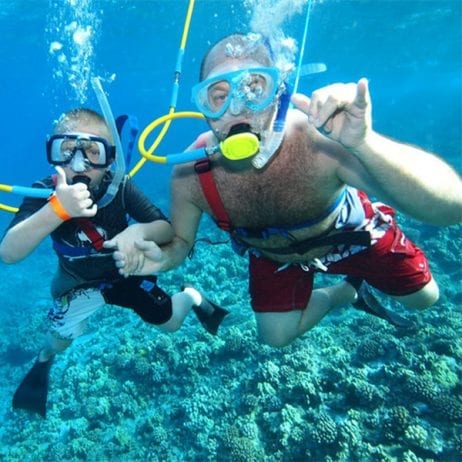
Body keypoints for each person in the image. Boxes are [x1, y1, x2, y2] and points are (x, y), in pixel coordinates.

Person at [109, 33, 462, 349]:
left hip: (349, 234)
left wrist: (365, 144)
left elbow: (451, 209)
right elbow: (181, 244)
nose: (236, 108)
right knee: (274, 338)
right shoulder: (190, 174)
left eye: (253, 89)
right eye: (218, 96)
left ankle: (361, 274)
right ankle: (348, 291)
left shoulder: (319, 140)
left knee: (425, 299)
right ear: (203, 109)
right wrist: (162, 259)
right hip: (275, 255)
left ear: (279, 94)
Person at [0, 108, 228, 417]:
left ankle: (191, 296)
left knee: (171, 324)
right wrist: (56, 209)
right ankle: (44, 359)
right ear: (51, 154)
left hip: (125, 274)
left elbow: (165, 228)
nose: (79, 163)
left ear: (110, 158)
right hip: (75, 283)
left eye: (93, 152)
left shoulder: (119, 185)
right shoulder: (43, 193)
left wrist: (138, 231)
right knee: (58, 342)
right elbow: (9, 253)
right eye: (66, 151)